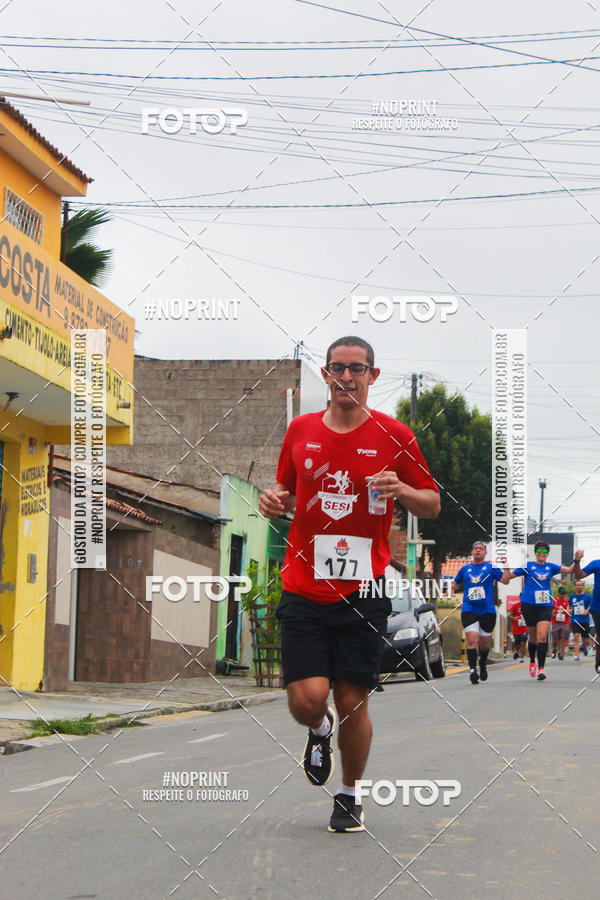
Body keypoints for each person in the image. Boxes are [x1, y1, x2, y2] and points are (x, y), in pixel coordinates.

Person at [259, 336, 439, 833]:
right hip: (303, 584)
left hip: (365, 590)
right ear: (326, 375)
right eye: (337, 367)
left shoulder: (394, 434)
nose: (346, 377)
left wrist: (402, 489)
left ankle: (349, 795)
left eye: (356, 368)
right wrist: (272, 501)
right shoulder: (300, 430)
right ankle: (318, 729)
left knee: (352, 700)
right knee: (306, 699)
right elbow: (285, 491)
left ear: (372, 376)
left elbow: (431, 502)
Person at [503, 541, 577, 681]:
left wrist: (577, 560)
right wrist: (506, 565)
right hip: (528, 604)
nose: (541, 553)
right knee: (533, 638)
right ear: (535, 553)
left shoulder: (551, 567)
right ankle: (532, 660)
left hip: (545, 605)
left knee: (542, 636)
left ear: (547, 554)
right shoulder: (528, 566)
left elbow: (569, 570)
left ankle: (541, 669)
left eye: (544, 551)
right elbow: (509, 577)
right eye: (539, 551)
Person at [453, 542, 503, 684]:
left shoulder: (491, 568)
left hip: (487, 610)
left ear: (485, 552)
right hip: (469, 609)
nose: (478, 551)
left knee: (484, 645)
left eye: (481, 549)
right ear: (472, 552)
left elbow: (505, 580)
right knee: (472, 639)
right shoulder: (465, 569)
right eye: (476, 549)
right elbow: (455, 582)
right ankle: (472, 670)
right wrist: (451, 589)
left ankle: (482, 664)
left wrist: (506, 564)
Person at [573, 551, 600, 673]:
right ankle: (598, 660)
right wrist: (577, 561)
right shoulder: (596, 564)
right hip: (598, 607)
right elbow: (578, 575)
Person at [568, 580, 591, 661]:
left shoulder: (588, 597)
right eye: (577, 585)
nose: (579, 587)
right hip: (575, 620)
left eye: (580, 585)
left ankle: (585, 648)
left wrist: (587, 610)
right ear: (575, 586)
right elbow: (569, 606)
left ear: (583, 586)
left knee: (585, 640)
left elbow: (592, 605)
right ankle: (576, 655)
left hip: (585, 620)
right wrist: (569, 610)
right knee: (576, 636)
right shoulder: (572, 597)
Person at [551, 586, 570, 660]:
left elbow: (569, 610)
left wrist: (566, 611)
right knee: (555, 639)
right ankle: (554, 648)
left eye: (564, 593)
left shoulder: (567, 601)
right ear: (558, 593)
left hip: (564, 622)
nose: (563, 595)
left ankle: (561, 653)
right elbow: (550, 610)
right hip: (555, 622)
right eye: (561, 593)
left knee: (562, 638)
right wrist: (553, 612)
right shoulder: (554, 601)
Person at [508, 596, 528, 661]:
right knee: (517, 644)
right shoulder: (515, 606)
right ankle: (517, 651)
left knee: (523, 643)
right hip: (516, 628)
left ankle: (522, 658)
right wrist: (514, 618)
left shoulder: (528, 606)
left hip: (525, 628)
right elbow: (510, 615)